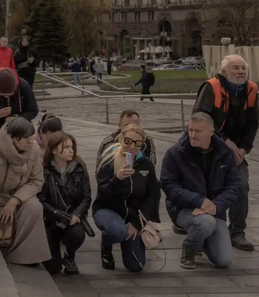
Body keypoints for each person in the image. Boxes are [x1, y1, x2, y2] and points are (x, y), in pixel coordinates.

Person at [193, 54, 258, 251]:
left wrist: (243, 149)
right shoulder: (211, 87)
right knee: (204, 188)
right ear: (223, 71)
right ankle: (199, 227)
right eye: (235, 68)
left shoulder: (252, 90)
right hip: (210, 146)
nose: (240, 72)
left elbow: (253, 124)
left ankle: (237, 232)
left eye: (242, 68)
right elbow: (201, 118)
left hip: (236, 150)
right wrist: (226, 143)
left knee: (241, 185)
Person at [160, 113, 241, 269]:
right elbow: (169, 185)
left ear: (211, 131)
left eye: (198, 131)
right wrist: (199, 201)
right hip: (183, 208)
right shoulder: (176, 153)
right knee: (205, 223)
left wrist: (214, 205)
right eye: (190, 130)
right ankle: (189, 249)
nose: (192, 135)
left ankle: (201, 239)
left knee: (223, 261)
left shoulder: (225, 154)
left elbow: (234, 186)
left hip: (214, 210)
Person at [0, 117, 50, 265]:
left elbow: (37, 180)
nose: (30, 142)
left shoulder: (34, 148)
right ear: (12, 138)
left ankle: (25, 255)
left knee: (35, 207)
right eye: (25, 139)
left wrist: (15, 200)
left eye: (31, 138)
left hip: (19, 199)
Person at [92, 124, 161, 272]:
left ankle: (127, 242)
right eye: (128, 141)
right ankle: (106, 246)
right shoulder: (109, 160)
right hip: (107, 210)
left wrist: (136, 222)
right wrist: (116, 178)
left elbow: (153, 195)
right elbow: (102, 194)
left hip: (132, 214)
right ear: (121, 139)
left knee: (136, 266)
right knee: (117, 231)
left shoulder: (146, 165)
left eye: (138, 143)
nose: (132, 146)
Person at [39, 132, 92, 275]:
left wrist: (74, 216)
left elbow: (86, 198)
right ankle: (52, 247)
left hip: (73, 219)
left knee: (78, 234)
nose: (71, 150)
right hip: (51, 221)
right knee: (53, 268)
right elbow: (41, 200)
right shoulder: (44, 170)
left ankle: (69, 255)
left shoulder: (79, 168)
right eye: (66, 147)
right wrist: (60, 217)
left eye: (72, 147)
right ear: (54, 150)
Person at [0, 67, 39, 145]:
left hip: (21, 130)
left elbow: (33, 110)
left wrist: (17, 118)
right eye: (2, 95)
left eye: (10, 95)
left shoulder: (23, 86)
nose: (6, 97)